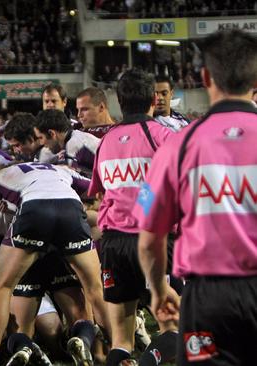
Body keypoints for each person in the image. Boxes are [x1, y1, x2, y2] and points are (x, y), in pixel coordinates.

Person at [136, 29, 257, 366]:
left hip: (208, 300)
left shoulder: (178, 144)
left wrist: (159, 290)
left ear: (205, 76)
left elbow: (148, 238)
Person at [0, 162, 110, 366]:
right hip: (69, 212)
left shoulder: (0, 177)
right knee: (94, 287)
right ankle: (117, 348)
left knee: (2, 287)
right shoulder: (59, 169)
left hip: (33, 219)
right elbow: (99, 186)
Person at [88, 69, 180, 366]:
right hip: (153, 241)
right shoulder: (165, 137)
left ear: (118, 101)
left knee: (121, 340)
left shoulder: (106, 141)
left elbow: (99, 194)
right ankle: (148, 361)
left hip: (113, 245)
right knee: (175, 329)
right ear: (155, 99)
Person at [34, 109, 101, 177]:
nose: (41, 143)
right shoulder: (71, 139)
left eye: (41, 138)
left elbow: (69, 179)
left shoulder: (74, 144)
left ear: (52, 133)